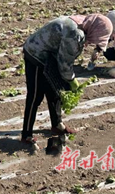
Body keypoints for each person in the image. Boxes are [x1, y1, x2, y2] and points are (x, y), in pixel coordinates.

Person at [21, 16, 86, 147]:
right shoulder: (74, 32)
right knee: (35, 95)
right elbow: (65, 63)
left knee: (54, 91)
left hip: (48, 55)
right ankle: (26, 134)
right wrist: (71, 80)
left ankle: (57, 125)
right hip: (35, 54)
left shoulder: (83, 27)